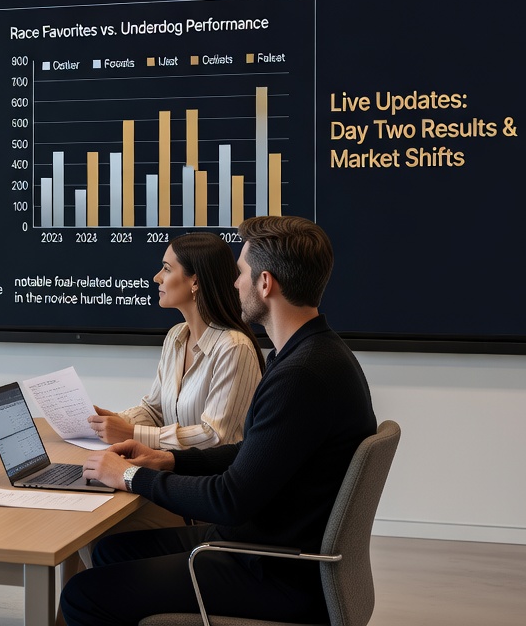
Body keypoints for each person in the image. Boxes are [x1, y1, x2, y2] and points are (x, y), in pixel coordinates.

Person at [61, 215, 377, 626]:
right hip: (272, 544)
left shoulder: (302, 375)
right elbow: (252, 453)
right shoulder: (311, 355)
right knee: (109, 552)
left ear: (266, 283)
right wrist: (169, 461)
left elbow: (229, 500)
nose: (234, 284)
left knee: (84, 595)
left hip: (273, 570)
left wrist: (131, 478)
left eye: (241, 273)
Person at [78, 232, 264, 559]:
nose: (157, 278)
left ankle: (102, 603)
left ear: (195, 281)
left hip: (204, 498)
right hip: (172, 481)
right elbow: (153, 409)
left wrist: (133, 433)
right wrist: (114, 421)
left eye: (166, 268)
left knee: (94, 530)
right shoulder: (176, 336)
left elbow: (215, 436)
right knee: (87, 521)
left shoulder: (234, 348)